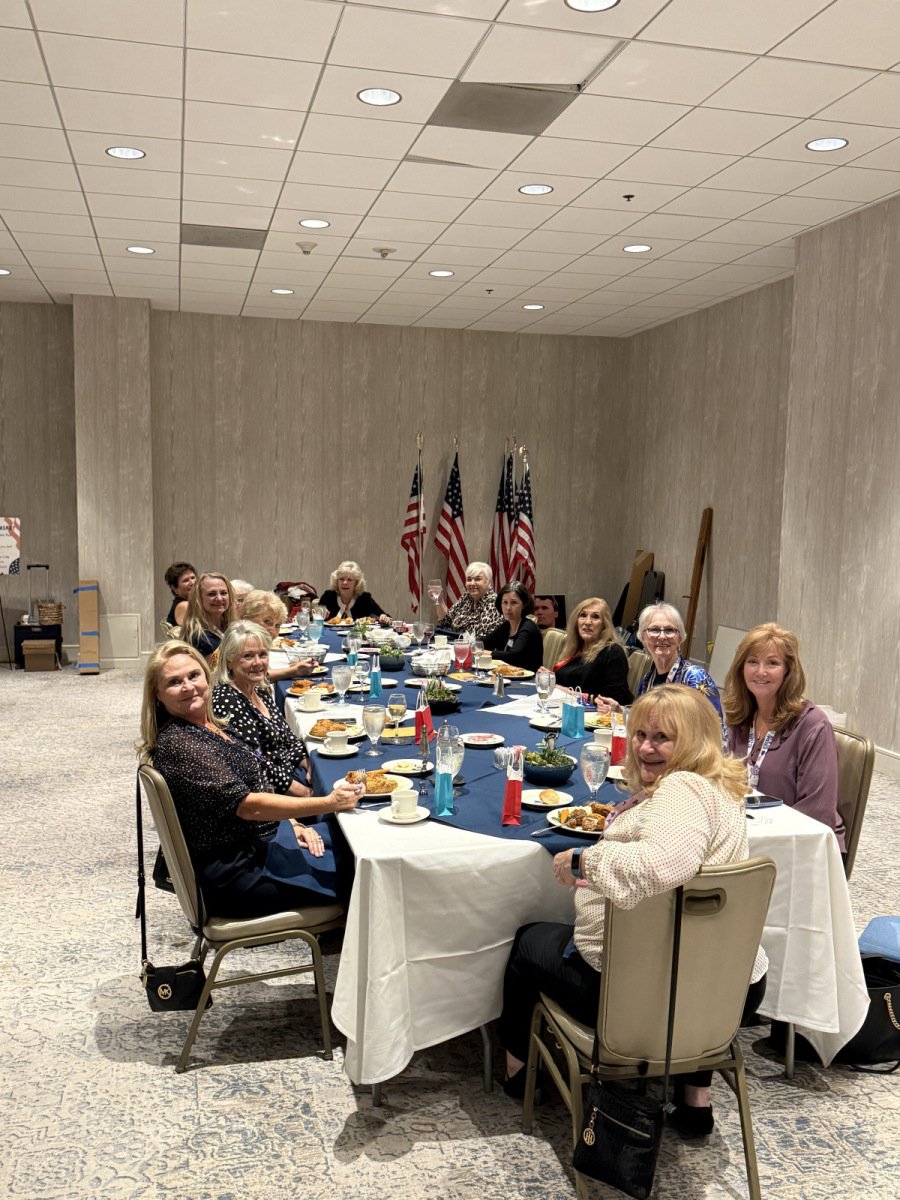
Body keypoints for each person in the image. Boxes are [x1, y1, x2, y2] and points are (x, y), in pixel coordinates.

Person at [498, 685, 768, 1138]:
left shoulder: (682, 789)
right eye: (640, 733)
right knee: (691, 937)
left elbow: (664, 863)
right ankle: (695, 1098)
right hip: (724, 994)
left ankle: (517, 1076)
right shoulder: (721, 787)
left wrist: (584, 862)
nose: (645, 746)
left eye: (663, 737)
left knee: (528, 941)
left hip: (637, 1000)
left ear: (696, 739)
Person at [138, 642, 361, 918]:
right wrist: (328, 803)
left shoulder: (211, 725)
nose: (188, 687)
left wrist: (292, 824)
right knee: (358, 864)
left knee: (350, 840)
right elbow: (248, 805)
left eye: (193, 676)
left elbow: (256, 784)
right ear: (158, 695)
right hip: (239, 874)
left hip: (261, 843)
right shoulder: (181, 745)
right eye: (174, 682)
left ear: (207, 677)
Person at [724, 622, 844, 849]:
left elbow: (817, 811)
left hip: (802, 844)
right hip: (750, 833)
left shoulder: (813, 725)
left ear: (788, 671)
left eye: (772, 663)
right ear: (741, 669)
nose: (761, 671)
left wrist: (762, 837)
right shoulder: (740, 717)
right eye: (752, 662)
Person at [211, 621, 311, 797]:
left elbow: (288, 738)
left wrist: (308, 764)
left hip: (290, 774)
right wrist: (302, 792)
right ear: (229, 660)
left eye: (262, 654)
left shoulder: (257, 688)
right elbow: (256, 764)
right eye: (248, 656)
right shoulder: (227, 701)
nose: (258, 663)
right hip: (272, 793)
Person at [599, 603, 722, 721]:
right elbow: (646, 720)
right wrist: (619, 709)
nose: (662, 636)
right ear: (643, 638)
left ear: (680, 638)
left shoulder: (695, 677)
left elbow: (716, 731)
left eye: (669, 630)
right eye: (654, 630)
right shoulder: (647, 680)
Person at [553, 597, 631, 705]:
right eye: (583, 615)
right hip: (565, 708)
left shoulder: (613, 652)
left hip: (596, 716)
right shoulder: (576, 648)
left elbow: (613, 700)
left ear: (604, 625)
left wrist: (564, 691)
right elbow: (569, 679)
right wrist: (549, 678)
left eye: (595, 617)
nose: (587, 622)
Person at [241, 589, 317, 683]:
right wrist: (292, 671)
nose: (272, 630)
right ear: (247, 619)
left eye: (277, 625)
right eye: (267, 621)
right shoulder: (239, 644)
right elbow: (255, 678)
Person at [483, 583, 544, 672]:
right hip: (507, 677)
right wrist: (470, 645)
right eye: (505, 602)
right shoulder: (506, 626)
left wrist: (488, 653)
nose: (508, 608)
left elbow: (514, 656)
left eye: (514, 603)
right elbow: (485, 642)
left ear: (524, 605)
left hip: (528, 681)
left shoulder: (529, 628)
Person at [433, 561, 503, 639]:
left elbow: (479, 637)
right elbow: (445, 622)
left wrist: (452, 633)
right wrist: (440, 601)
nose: (472, 583)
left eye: (477, 579)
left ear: (488, 582)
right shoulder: (466, 598)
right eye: (469, 579)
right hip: (455, 646)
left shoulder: (494, 602)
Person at [179, 572, 235, 662]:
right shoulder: (200, 638)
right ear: (198, 599)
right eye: (212, 594)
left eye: (223, 593)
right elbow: (214, 674)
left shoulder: (228, 627)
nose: (219, 598)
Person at [319, 561, 390, 624]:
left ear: (356, 583)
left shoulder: (364, 598)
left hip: (356, 638)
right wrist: (320, 616)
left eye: (349, 580)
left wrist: (383, 617)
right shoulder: (328, 597)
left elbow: (384, 616)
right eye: (341, 579)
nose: (345, 583)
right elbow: (315, 619)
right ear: (336, 581)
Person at [164, 561, 196, 626]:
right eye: (186, 580)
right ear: (175, 589)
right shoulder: (184, 606)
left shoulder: (193, 603)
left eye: (193, 578)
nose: (192, 583)